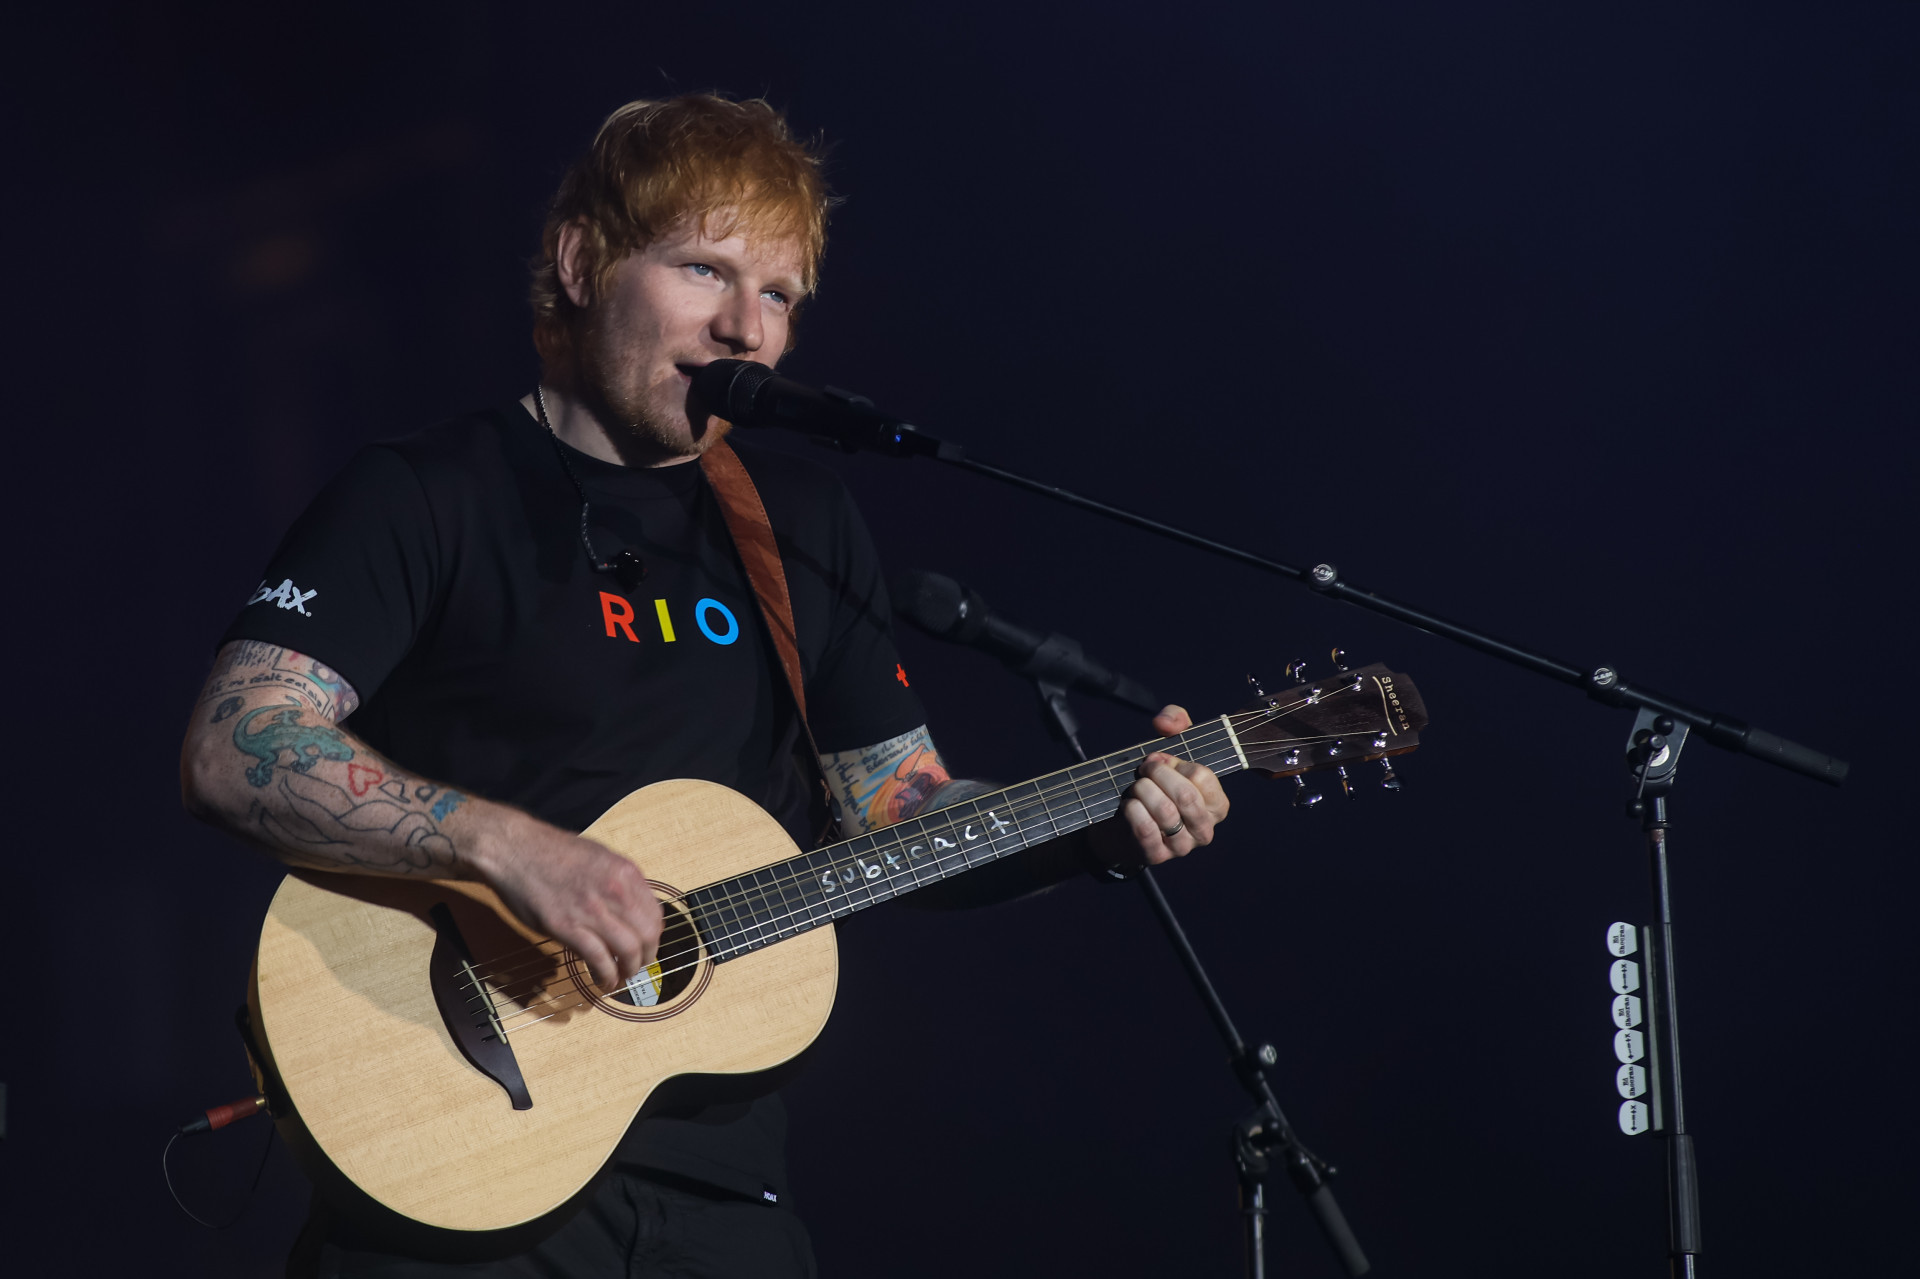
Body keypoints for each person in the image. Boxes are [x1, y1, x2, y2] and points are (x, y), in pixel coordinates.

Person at [180, 93, 1229, 1277]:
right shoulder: (425, 494)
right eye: (703, 270)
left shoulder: (799, 523)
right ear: (581, 262)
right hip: (453, 1157)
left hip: (725, 1196)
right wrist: (507, 847)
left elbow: (897, 812)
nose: (748, 330)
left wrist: (1092, 826)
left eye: (779, 296)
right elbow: (236, 740)